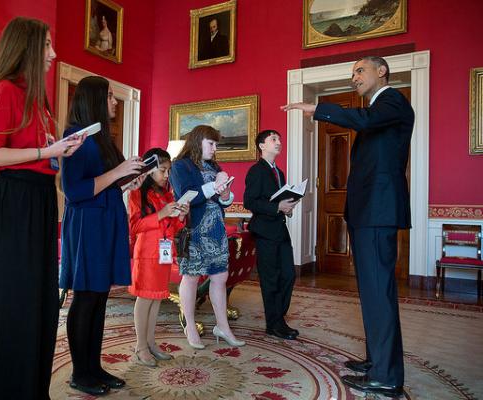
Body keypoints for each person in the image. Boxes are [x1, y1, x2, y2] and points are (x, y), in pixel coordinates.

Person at [283, 56, 414, 398]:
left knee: (378, 294)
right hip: (370, 212)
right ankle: (378, 362)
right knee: (372, 293)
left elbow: (366, 121)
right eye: (352, 72)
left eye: (360, 70)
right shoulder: (380, 108)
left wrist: (319, 109)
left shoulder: (392, 101)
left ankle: (386, 377)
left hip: (377, 211)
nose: (353, 76)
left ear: (381, 71)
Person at [0, 17, 83, 399]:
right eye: (47, 45)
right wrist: (45, 151)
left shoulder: (39, 101)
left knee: (39, 301)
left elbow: (41, 159)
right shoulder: (6, 90)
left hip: (37, 200)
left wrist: (59, 151)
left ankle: (31, 388)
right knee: (14, 299)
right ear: (28, 48)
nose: (54, 53)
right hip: (14, 202)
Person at [60, 75, 145, 396]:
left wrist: (129, 180)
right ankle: (80, 373)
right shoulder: (75, 137)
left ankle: (94, 367)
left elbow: (106, 184)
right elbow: (74, 190)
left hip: (107, 219)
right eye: (109, 96)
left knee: (99, 297)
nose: (114, 101)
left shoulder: (103, 139)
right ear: (94, 99)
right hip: (87, 225)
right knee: (85, 297)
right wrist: (118, 173)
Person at [169, 124, 245, 349]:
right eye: (211, 144)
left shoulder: (214, 165)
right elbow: (186, 196)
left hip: (216, 230)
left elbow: (223, 201)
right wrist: (215, 184)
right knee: (191, 278)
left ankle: (223, 326)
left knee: (220, 278)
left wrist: (225, 194)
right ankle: (190, 326)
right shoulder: (179, 166)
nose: (214, 149)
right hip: (194, 229)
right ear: (198, 140)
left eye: (216, 145)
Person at [128, 148, 189, 367]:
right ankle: (140, 346)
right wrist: (161, 214)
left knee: (156, 299)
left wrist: (180, 216)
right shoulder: (137, 193)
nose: (166, 175)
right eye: (162, 170)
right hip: (146, 254)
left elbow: (172, 227)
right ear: (149, 170)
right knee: (145, 299)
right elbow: (135, 226)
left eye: (168, 171)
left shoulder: (167, 194)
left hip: (164, 253)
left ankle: (151, 343)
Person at [243, 129, 300, 341]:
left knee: (289, 275)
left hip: (280, 229)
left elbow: (278, 200)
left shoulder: (279, 172)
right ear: (261, 146)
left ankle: (279, 319)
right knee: (271, 279)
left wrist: (288, 208)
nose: (279, 142)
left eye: (280, 139)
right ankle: (274, 324)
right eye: (273, 139)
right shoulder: (256, 171)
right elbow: (250, 201)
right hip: (265, 231)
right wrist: (277, 207)